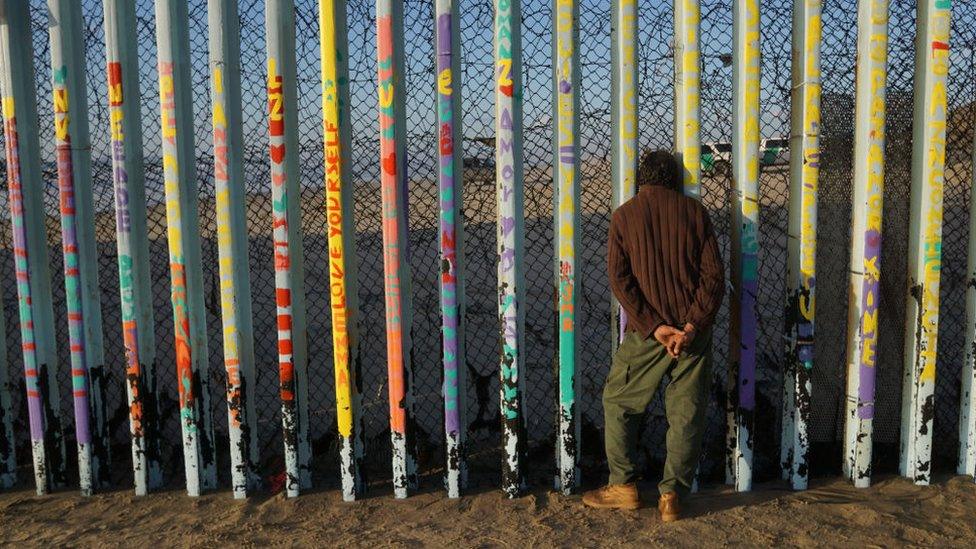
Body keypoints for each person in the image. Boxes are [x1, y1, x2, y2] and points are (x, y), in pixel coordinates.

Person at [582, 150, 725, 522]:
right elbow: (713, 278)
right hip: (693, 334)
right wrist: (691, 326)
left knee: (618, 402)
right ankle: (672, 496)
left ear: (640, 179)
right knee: (686, 412)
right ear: (675, 179)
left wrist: (655, 326)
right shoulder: (695, 213)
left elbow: (620, 280)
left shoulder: (623, 216)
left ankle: (624, 486)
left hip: (648, 335)